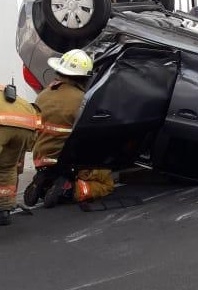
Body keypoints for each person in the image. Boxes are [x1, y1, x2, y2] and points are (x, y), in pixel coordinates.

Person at [24, 49, 114, 209]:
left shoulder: (42, 96)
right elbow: (92, 137)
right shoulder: (82, 101)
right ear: (83, 78)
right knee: (106, 183)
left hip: (41, 159)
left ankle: (44, 180)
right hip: (68, 163)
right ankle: (70, 190)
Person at [0, 83, 39, 225]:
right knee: (6, 167)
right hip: (27, 124)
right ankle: (3, 211)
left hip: (3, 124)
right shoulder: (5, 91)